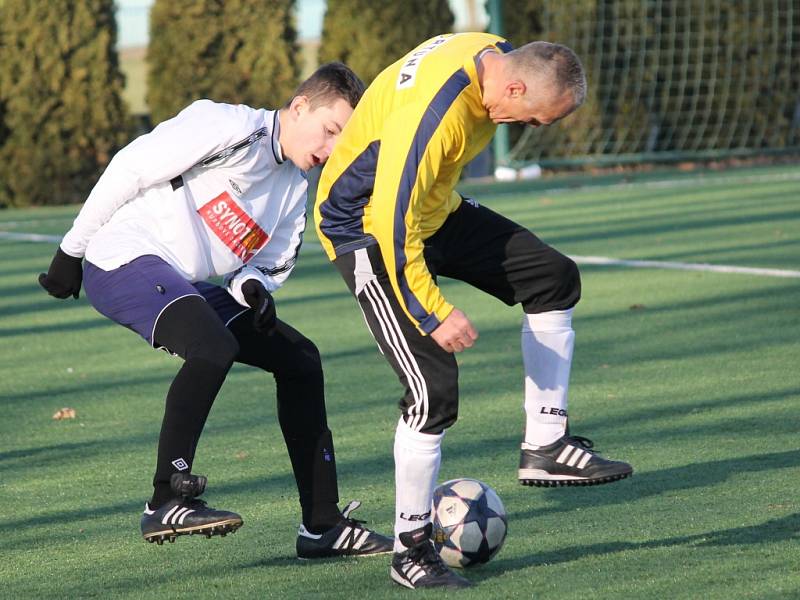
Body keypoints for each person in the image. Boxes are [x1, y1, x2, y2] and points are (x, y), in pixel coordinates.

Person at [315, 34, 633, 588]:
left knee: (553, 277)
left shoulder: (493, 55)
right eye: (534, 117)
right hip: (365, 232)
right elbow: (391, 229)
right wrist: (433, 311)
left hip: (431, 213)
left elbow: (414, 207)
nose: (532, 127)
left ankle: (546, 444)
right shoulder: (434, 117)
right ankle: (410, 550)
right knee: (432, 390)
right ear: (512, 87)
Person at [38, 62, 392, 558]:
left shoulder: (293, 188)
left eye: (343, 141)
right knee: (212, 346)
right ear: (299, 107)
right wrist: (70, 251)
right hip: (120, 257)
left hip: (182, 281)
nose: (332, 148)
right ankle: (165, 498)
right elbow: (129, 166)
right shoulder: (226, 126)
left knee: (301, 360)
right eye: (331, 130)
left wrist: (255, 290)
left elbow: (262, 265)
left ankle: (322, 525)